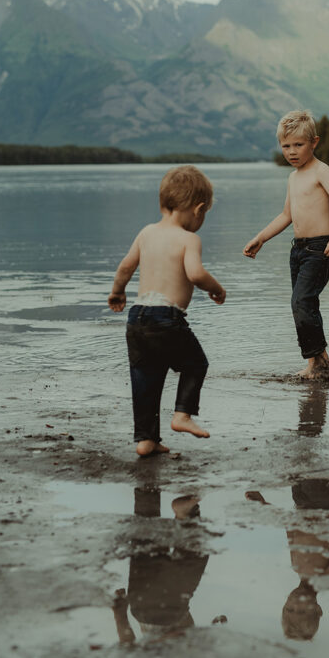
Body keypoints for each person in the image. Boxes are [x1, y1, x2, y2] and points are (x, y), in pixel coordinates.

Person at [108, 165, 226, 456]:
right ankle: (182, 414)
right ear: (198, 210)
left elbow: (125, 266)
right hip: (166, 318)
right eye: (204, 214)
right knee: (196, 364)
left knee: (145, 377)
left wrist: (117, 291)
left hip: (137, 317)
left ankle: (146, 440)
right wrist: (217, 288)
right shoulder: (189, 239)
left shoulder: (146, 232)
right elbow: (195, 274)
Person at [243, 109, 329, 378]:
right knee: (305, 304)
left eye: (298, 145)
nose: (291, 152)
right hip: (298, 250)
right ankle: (322, 360)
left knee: (301, 301)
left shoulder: (321, 171)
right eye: (286, 146)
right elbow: (286, 215)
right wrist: (261, 238)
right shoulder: (292, 177)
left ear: (314, 142)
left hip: (321, 247)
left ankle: (315, 364)